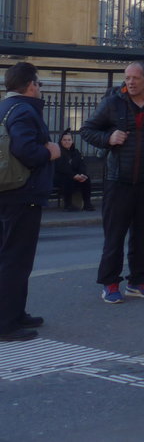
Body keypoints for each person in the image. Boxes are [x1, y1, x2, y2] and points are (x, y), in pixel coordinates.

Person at [81, 61, 144, 304]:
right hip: (118, 181)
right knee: (114, 236)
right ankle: (110, 284)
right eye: (127, 78)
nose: (130, 82)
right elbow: (86, 130)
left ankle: (138, 282)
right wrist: (108, 137)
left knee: (142, 236)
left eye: (135, 78)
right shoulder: (113, 103)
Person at [0, 61, 61, 342]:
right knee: (17, 258)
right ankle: (6, 323)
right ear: (30, 85)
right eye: (38, 83)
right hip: (21, 194)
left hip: (6, 190)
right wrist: (49, 152)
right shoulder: (24, 110)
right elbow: (26, 150)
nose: (39, 88)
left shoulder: (4, 107)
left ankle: (15, 312)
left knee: (10, 256)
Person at [53, 129, 93, 211]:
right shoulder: (57, 151)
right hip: (59, 177)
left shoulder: (76, 152)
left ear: (72, 141)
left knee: (86, 178)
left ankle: (87, 204)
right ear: (60, 141)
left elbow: (82, 164)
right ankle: (68, 205)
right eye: (64, 140)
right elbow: (62, 167)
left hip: (76, 176)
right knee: (68, 179)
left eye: (69, 140)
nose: (67, 142)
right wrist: (74, 175)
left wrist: (82, 174)